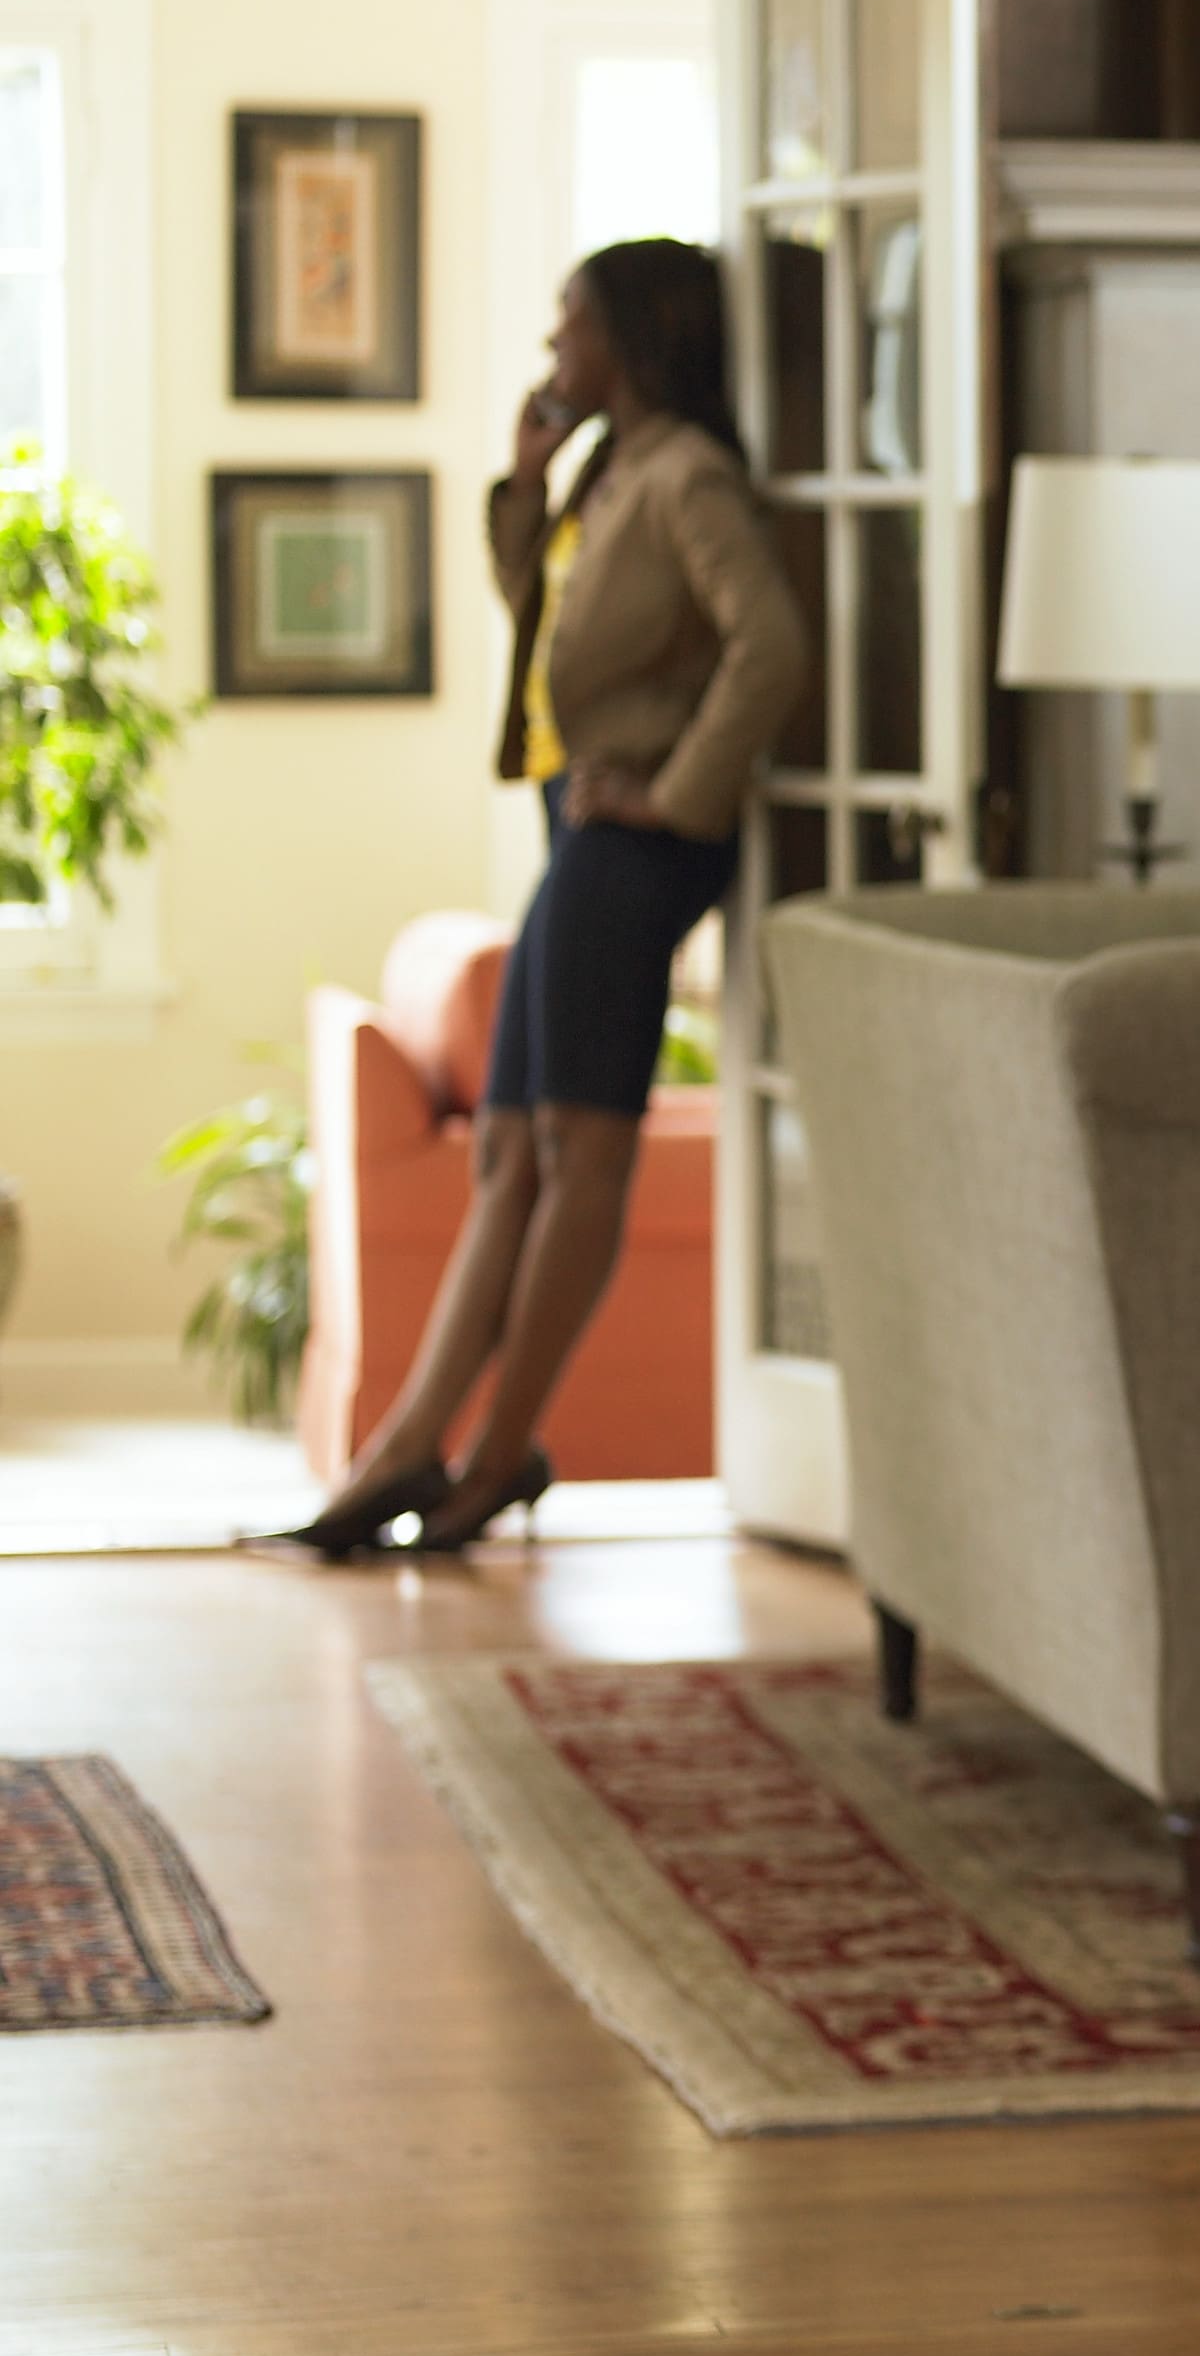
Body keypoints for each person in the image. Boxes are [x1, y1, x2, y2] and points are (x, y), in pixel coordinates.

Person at [273, 241, 812, 1560]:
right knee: (514, 1154)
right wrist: (525, 487)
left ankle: (491, 1449)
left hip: (638, 847)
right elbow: (550, 633)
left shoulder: (689, 474)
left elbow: (772, 644)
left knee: (580, 1155)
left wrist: (680, 792)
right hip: (576, 831)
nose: (550, 348)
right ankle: (416, 1446)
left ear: (631, 337)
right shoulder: (605, 474)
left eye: (569, 326)